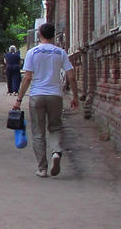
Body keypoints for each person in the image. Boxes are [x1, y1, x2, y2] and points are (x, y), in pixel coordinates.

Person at [12, 23, 79, 178]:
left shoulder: (32, 52)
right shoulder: (60, 53)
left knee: (38, 133)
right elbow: (71, 76)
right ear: (53, 35)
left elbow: (28, 77)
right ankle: (56, 152)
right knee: (55, 128)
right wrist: (75, 96)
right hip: (55, 95)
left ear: (40, 35)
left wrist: (19, 99)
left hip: (37, 96)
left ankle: (42, 168)